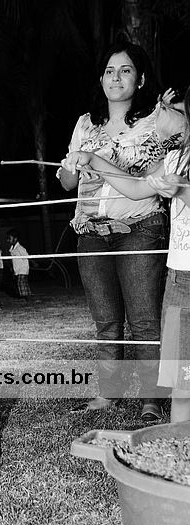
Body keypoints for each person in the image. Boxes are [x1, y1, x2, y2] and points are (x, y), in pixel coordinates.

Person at [58, 41, 185, 421]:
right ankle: (108, 392)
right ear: (101, 79)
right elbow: (67, 183)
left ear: (140, 79)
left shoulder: (158, 121)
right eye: (109, 71)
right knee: (106, 320)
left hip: (139, 226)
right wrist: (69, 169)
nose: (116, 77)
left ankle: (150, 399)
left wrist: (99, 161)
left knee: (144, 320)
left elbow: (163, 172)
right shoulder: (86, 123)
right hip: (91, 230)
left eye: (125, 70)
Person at [7, 228, 31, 301]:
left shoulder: (20, 248)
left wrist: (34, 263)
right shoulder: (12, 249)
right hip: (17, 269)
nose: (8, 240)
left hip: (22, 269)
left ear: (15, 239)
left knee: (21, 283)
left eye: (9, 238)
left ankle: (25, 297)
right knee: (22, 283)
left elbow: (27, 256)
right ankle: (26, 297)